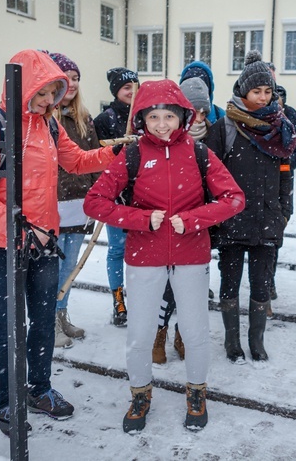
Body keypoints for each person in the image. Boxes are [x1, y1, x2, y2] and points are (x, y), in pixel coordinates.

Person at [0, 49, 119, 423]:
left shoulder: (49, 125)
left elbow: (77, 161)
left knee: (43, 319)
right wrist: (19, 228)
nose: (51, 100)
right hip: (1, 246)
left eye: (55, 92)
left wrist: (119, 152)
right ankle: (2, 401)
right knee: (4, 324)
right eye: (44, 92)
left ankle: (39, 389)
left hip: (44, 243)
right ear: (23, 86)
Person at [84, 79, 245, 432]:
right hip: (144, 257)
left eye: (168, 116)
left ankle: (197, 393)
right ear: (142, 118)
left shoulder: (199, 152)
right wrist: (141, 219)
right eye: (153, 116)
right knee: (140, 334)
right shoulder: (133, 153)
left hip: (191, 256)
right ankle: (140, 394)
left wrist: (192, 220)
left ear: (182, 117)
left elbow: (234, 198)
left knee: (195, 332)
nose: (161, 124)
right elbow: (94, 202)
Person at [204, 50, 296, 364]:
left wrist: (285, 211)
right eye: (256, 91)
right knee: (229, 282)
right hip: (232, 220)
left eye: (267, 91)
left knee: (261, 284)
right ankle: (232, 341)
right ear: (243, 91)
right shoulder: (225, 127)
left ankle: (256, 341)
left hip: (268, 219)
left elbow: (286, 172)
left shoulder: (279, 127)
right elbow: (209, 175)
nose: (262, 97)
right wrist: (217, 213)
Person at [151, 76, 215, 365]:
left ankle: (181, 333)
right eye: (194, 110)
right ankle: (159, 332)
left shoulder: (214, 137)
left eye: (204, 111)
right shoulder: (163, 138)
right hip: (165, 225)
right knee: (165, 286)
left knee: (191, 291)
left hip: (196, 224)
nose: (199, 117)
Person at [47, 51, 100, 349]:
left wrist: (97, 194)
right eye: (68, 77)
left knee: (70, 268)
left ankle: (61, 314)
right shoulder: (45, 118)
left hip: (79, 203)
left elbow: (92, 159)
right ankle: (49, 321)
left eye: (77, 78)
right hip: (53, 204)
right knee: (52, 268)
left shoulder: (83, 118)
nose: (73, 83)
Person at [93, 67, 140, 327]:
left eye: (135, 87)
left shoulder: (144, 116)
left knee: (141, 250)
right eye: (126, 88)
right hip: (116, 195)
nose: (132, 92)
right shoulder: (105, 119)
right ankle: (118, 299)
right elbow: (96, 156)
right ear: (116, 91)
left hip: (142, 194)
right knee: (117, 249)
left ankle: (141, 296)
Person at [266, 83, 296, 317]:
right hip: (260, 182)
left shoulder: (290, 116)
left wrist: (284, 166)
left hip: (282, 183)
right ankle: (262, 282)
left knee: (275, 233)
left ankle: (269, 280)